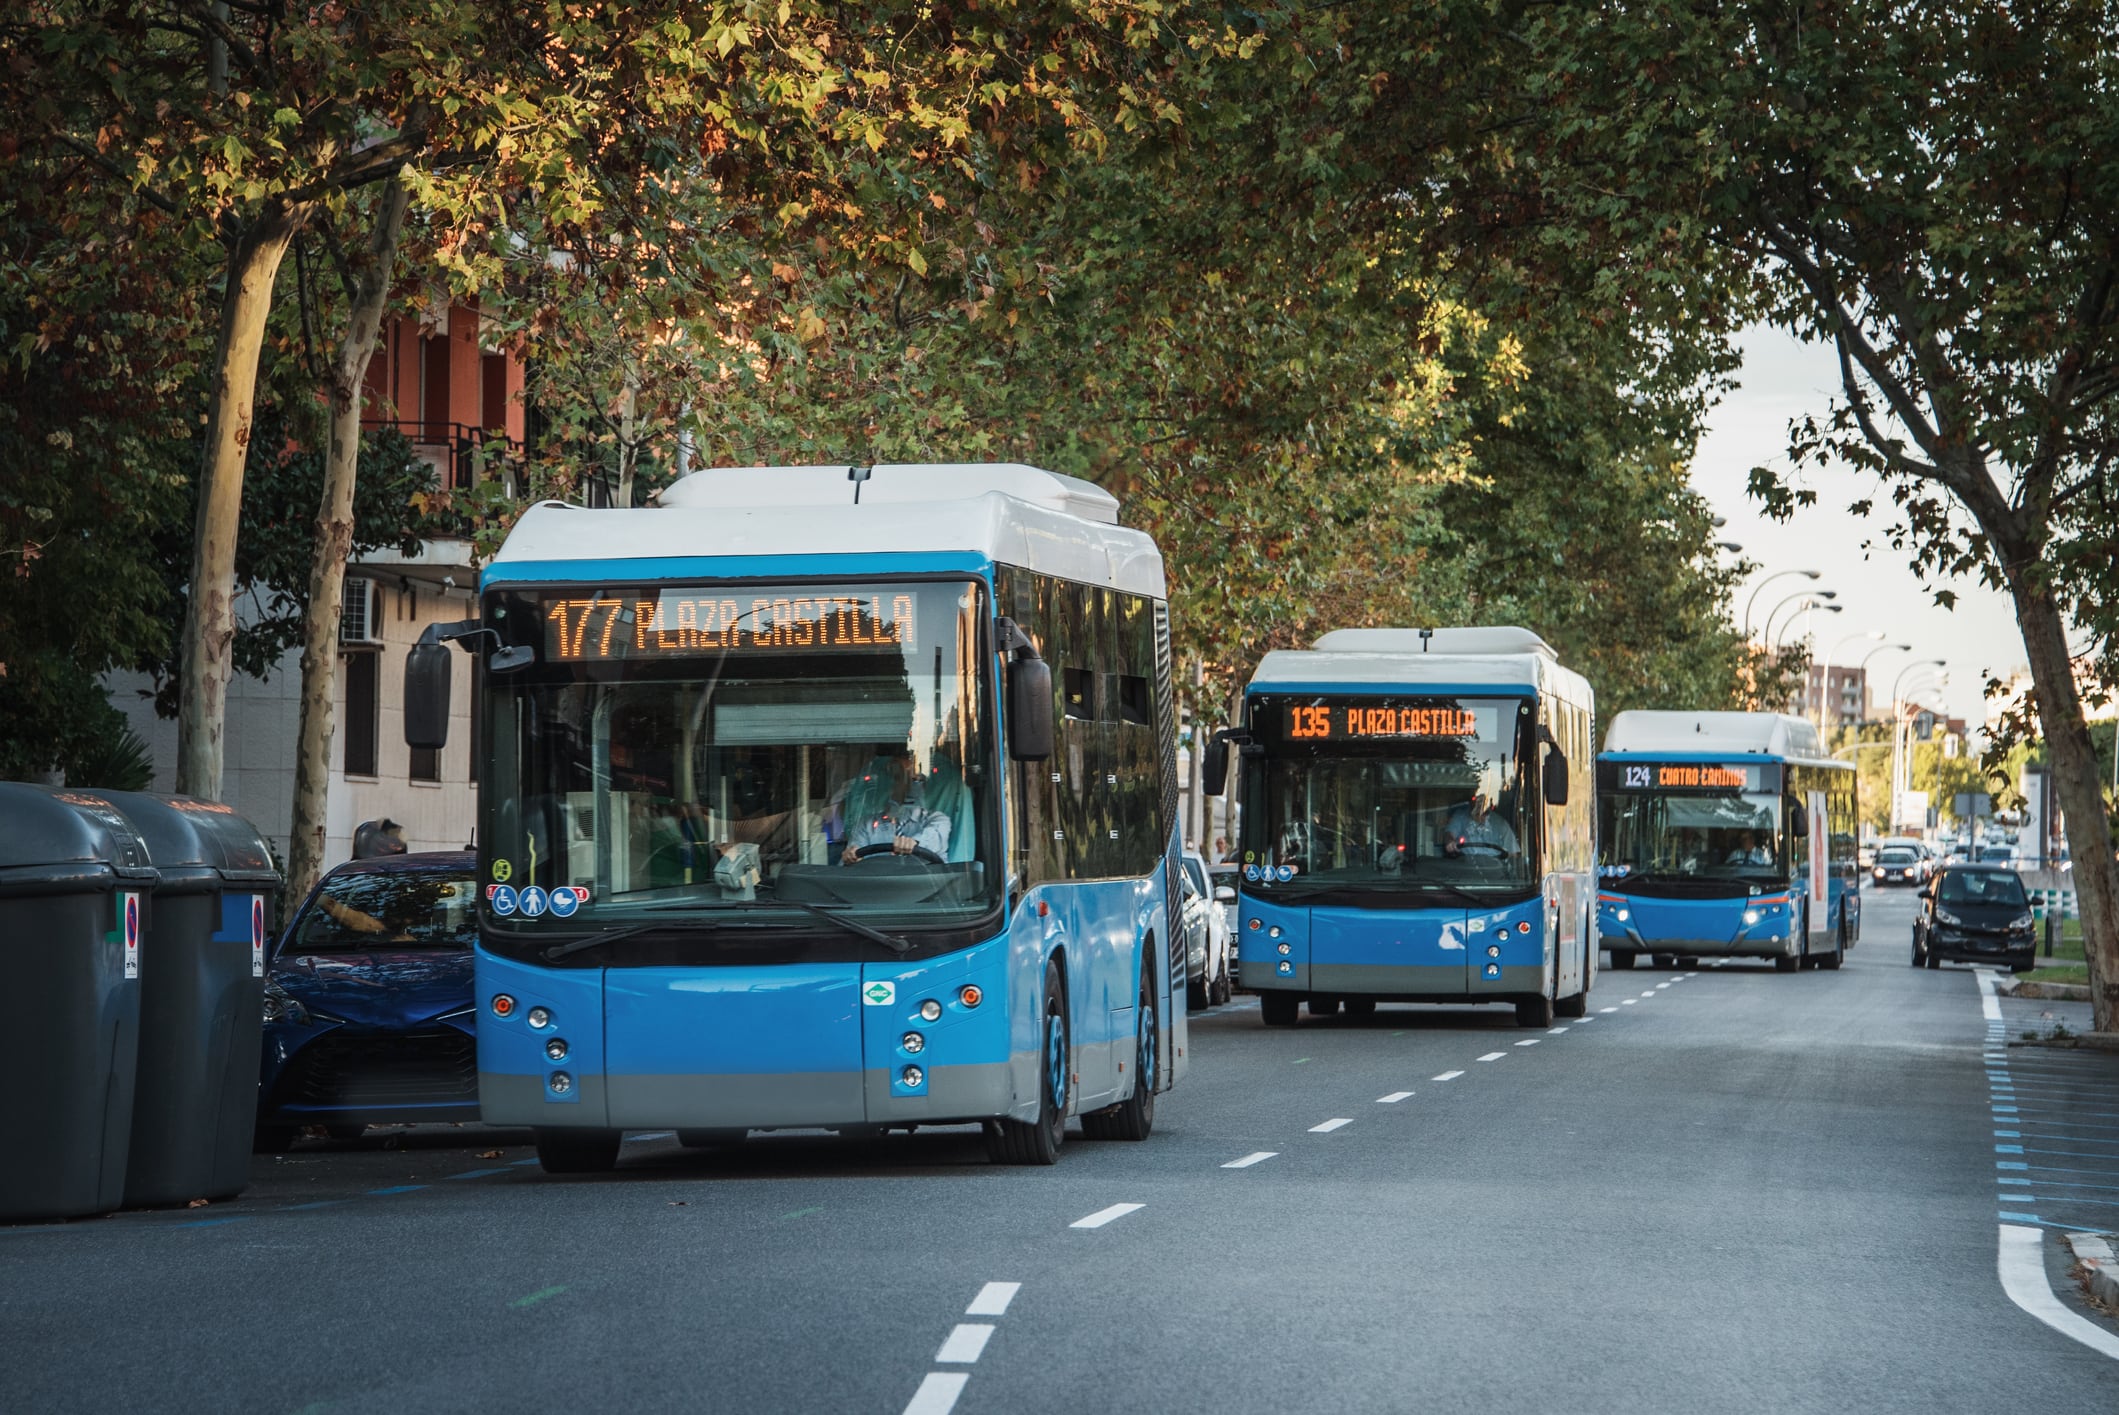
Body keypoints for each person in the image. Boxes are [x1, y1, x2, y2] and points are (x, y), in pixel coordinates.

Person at [836, 745, 952, 862]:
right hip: (875, 879)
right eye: (898, 776)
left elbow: (932, 840)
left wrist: (914, 844)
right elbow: (853, 860)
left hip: (922, 880)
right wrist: (850, 858)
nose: (909, 785)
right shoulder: (867, 825)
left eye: (916, 779)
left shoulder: (938, 820)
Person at [1441, 790, 1520, 858]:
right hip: (1466, 867)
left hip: (1494, 870)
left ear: (1487, 804)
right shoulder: (1460, 817)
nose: (1479, 806)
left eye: (1482, 802)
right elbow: (1449, 834)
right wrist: (1450, 842)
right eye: (1476, 801)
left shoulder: (1500, 823)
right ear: (1472, 802)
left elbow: (1513, 853)